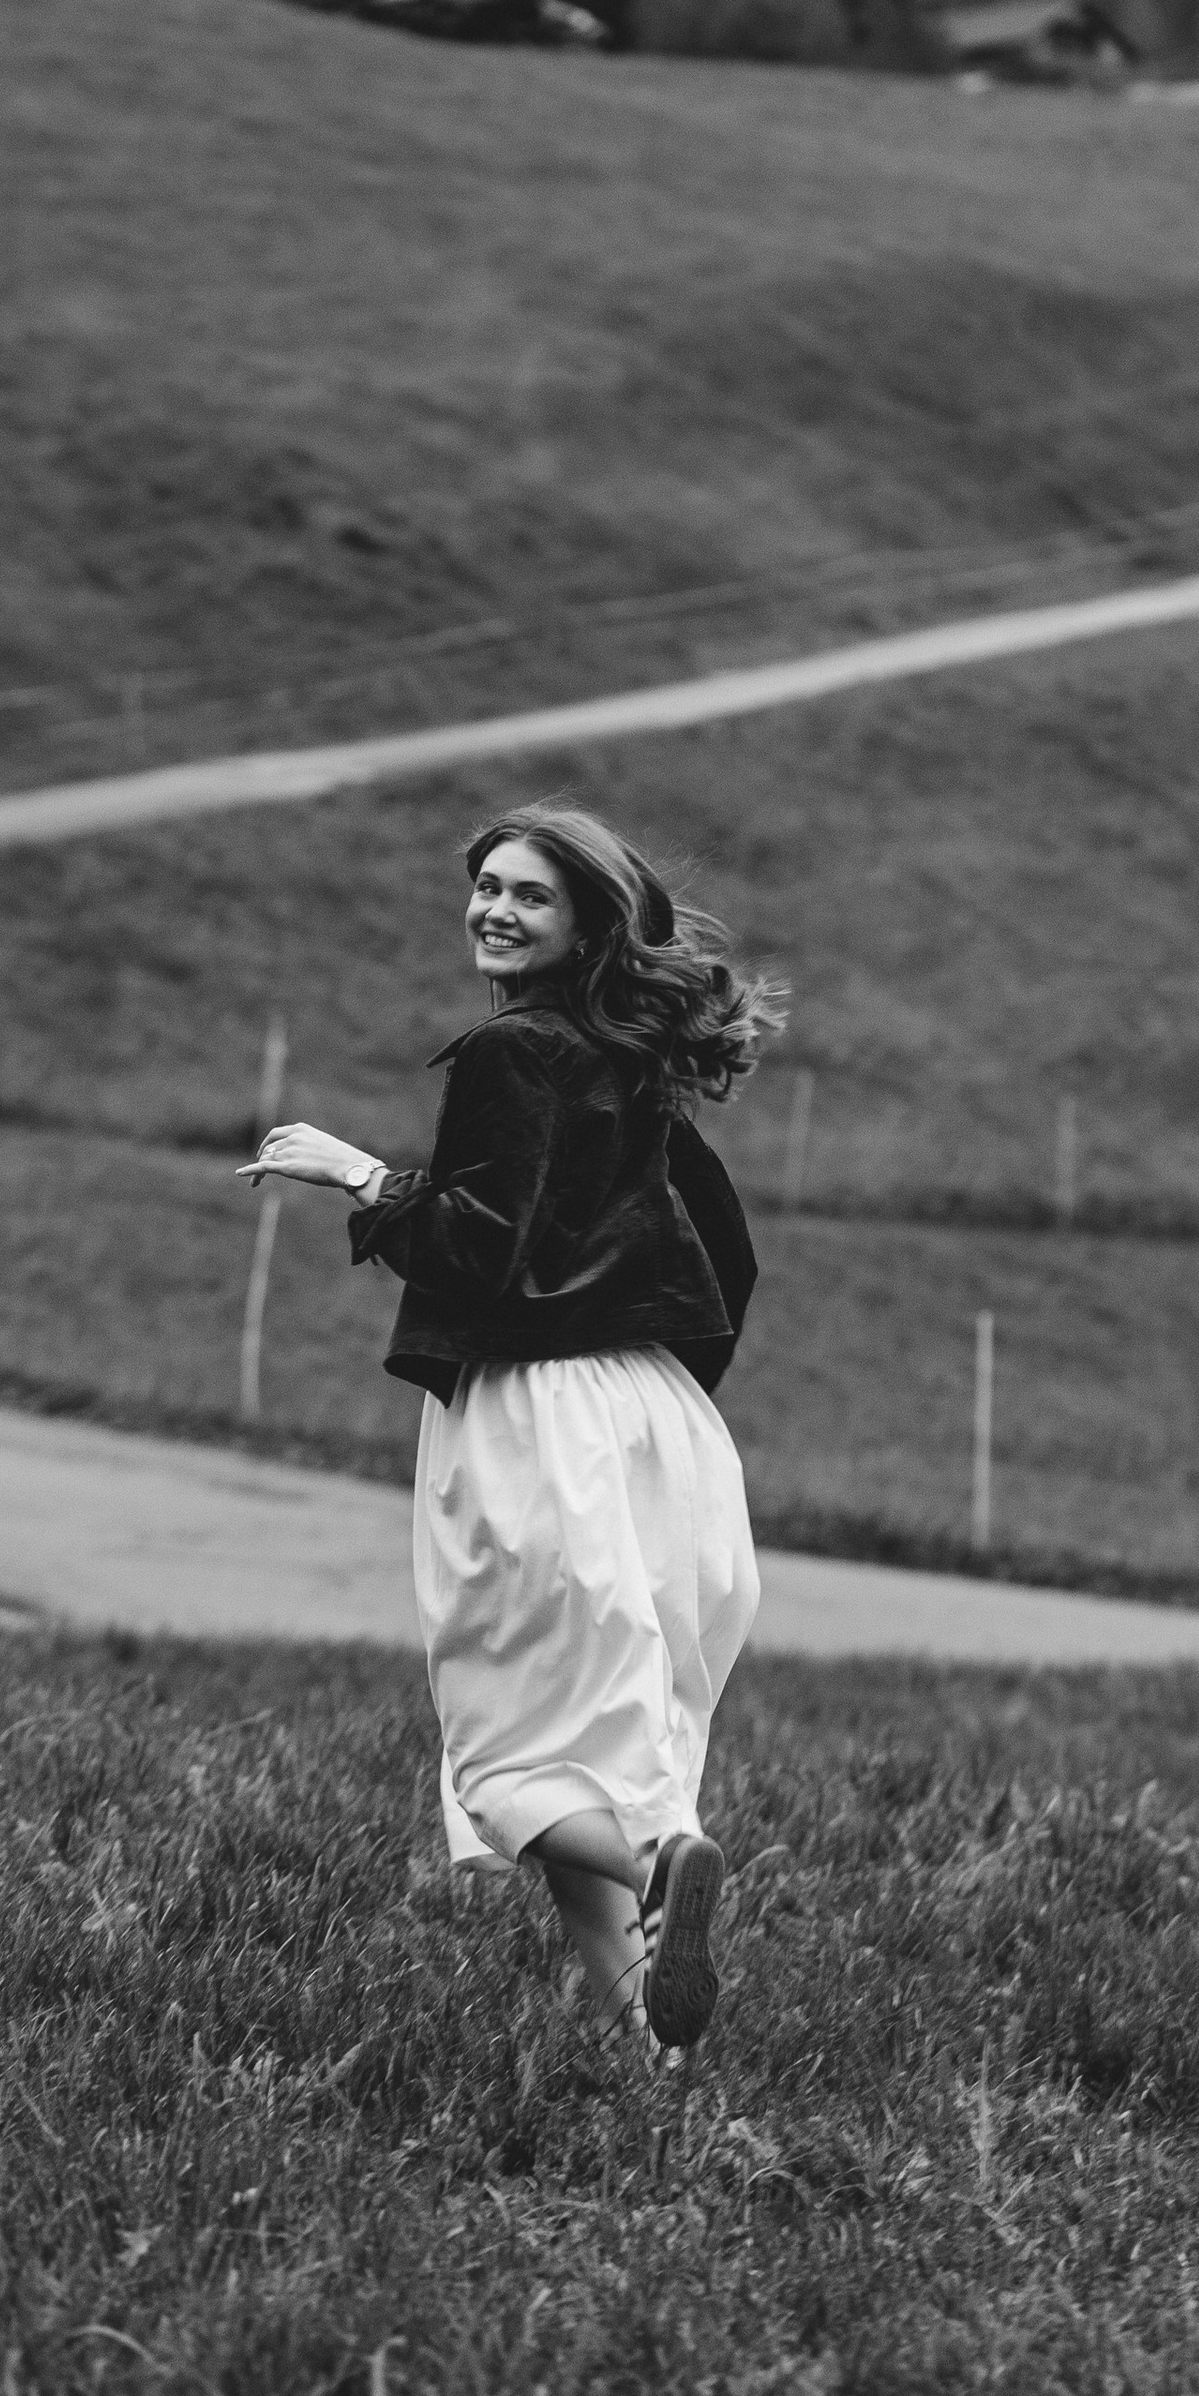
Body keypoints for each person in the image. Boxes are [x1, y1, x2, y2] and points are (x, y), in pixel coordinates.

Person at [241, 802, 784, 2066]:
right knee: (593, 1755)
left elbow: (478, 1247)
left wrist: (360, 1177)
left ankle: (657, 1859)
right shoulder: (631, 1061)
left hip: (538, 1426)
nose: (493, 908)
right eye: (485, 885)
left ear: (587, 923)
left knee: (498, 1768)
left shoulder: (511, 1053)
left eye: (529, 893)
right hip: (659, 1420)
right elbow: (729, 1254)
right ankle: (659, 2074)